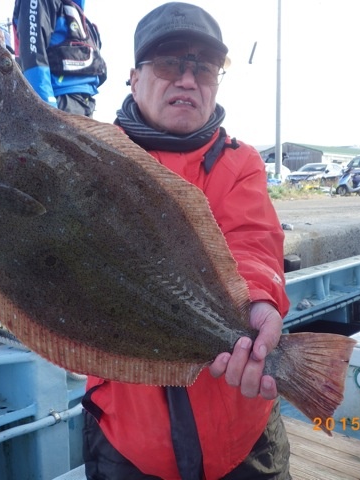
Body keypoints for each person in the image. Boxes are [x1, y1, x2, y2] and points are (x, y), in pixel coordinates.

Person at [81, 3, 291, 479]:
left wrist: (258, 300)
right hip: (126, 436)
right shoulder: (91, 156)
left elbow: (252, 242)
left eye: (204, 68)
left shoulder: (240, 162)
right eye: (169, 63)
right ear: (134, 78)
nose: (188, 80)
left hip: (243, 432)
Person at [12, 0, 106, 117]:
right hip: (60, 101)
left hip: (85, 102)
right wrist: (46, 110)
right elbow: (33, 57)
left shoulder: (76, 10)